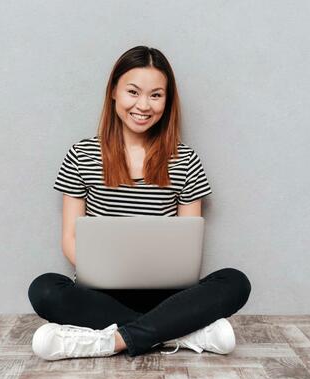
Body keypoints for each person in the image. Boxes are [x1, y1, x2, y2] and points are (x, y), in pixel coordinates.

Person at [28, 45, 251, 361]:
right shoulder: (81, 156)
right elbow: (70, 239)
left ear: (167, 101)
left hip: (167, 297)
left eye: (156, 95)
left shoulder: (185, 160)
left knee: (235, 281)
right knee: (45, 289)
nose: (143, 105)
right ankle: (184, 334)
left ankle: (111, 340)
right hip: (100, 294)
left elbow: (188, 245)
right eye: (133, 92)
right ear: (114, 93)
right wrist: (105, 271)